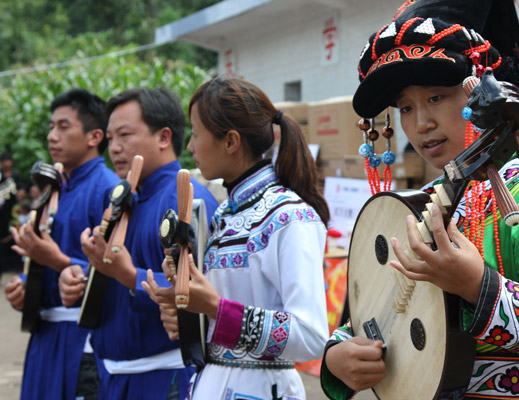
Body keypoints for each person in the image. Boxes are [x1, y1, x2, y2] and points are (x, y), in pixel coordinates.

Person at [320, 1, 519, 399]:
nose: (421, 123)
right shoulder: (423, 204)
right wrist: (337, 355)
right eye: (405, 107)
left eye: (437, 97)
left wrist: (479, 287)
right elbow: (384, 306)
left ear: (480, 93)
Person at [142, 77, 330, 399]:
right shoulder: (223, 215)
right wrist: (185, 312)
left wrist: (215, 307)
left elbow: (311, 336)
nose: (190, 147)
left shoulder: (289, 216)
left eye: (196, 134)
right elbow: (220, 316)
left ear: (230, 141)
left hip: (261, 389)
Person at [58, 87, 219, 400]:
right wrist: (76, 273)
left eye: (125, 135)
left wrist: (128, 276)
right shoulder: (123, 199)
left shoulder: (187, 200)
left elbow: (208, 292)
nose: (114, 148)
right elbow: (115, 271)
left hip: (167, 377)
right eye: (110, 137)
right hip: (113, 375)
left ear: (163, 137)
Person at [4, 88, 119, 400]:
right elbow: (42, 261)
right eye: (51, 127)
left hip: (83, 336)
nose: (52, 136)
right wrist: (27, 286)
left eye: (63, 127)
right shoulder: (53, 192)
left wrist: (57, 261)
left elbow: (118, 273)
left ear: (95, 136)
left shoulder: (109, 190)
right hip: (44, 335)